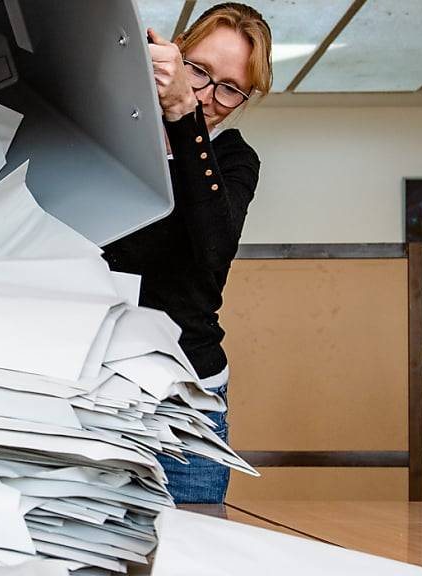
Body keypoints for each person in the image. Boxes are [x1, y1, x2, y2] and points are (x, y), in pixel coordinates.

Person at [102, 2, 273, 503]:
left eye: (230, 88)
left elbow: (213, 245)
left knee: (192, 537)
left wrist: (184, 118)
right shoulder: (113, 132)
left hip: (187, 394)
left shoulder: (234, 159)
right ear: (175, 54)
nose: (207, 94)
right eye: (198, 70)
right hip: (98, 383)